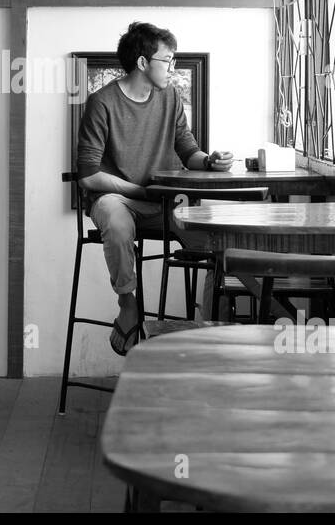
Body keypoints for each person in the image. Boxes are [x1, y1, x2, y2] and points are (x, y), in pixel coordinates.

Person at [76, 22, 233, 355]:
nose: (173, 70)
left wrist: (210, 161)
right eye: (167, 61)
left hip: (163, 202)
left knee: (215, 234)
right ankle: (127, 303)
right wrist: (140, 191)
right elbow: (89, 175)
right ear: (143, 63)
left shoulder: (170, 97)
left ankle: (208, 325)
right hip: (117, 198)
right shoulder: (101, 103)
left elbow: (188, 149)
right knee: (116, 223)